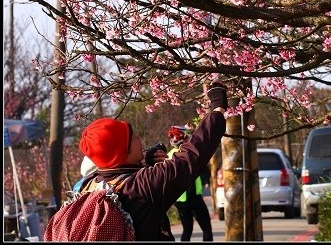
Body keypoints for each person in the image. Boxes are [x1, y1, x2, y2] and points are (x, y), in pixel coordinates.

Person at [73, 81, 228, 241]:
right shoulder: (143, 186)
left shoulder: (87, 185)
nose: (138, 138)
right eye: (132, 138)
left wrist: (143, 164)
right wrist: (217, 109)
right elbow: (191, 156)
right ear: (123, 152)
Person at [168, 126, 213, 241]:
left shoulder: (169, 156)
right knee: (207, 229)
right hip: (193, 198)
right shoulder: (188, 153)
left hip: (179, 200)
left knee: (187, 231)